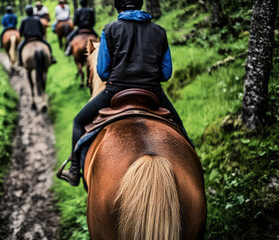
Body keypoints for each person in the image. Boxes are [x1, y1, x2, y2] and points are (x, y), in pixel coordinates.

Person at [57, 0, 195, 186]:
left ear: (117, 6)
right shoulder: (159, 31)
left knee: (78, 122)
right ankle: (195, 163)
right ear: (140, 4)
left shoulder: (110, 30)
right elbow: (166, 73)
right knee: (179, 127)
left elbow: (103, 72)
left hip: (115, 91)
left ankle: (74, 171)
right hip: (153, 92)